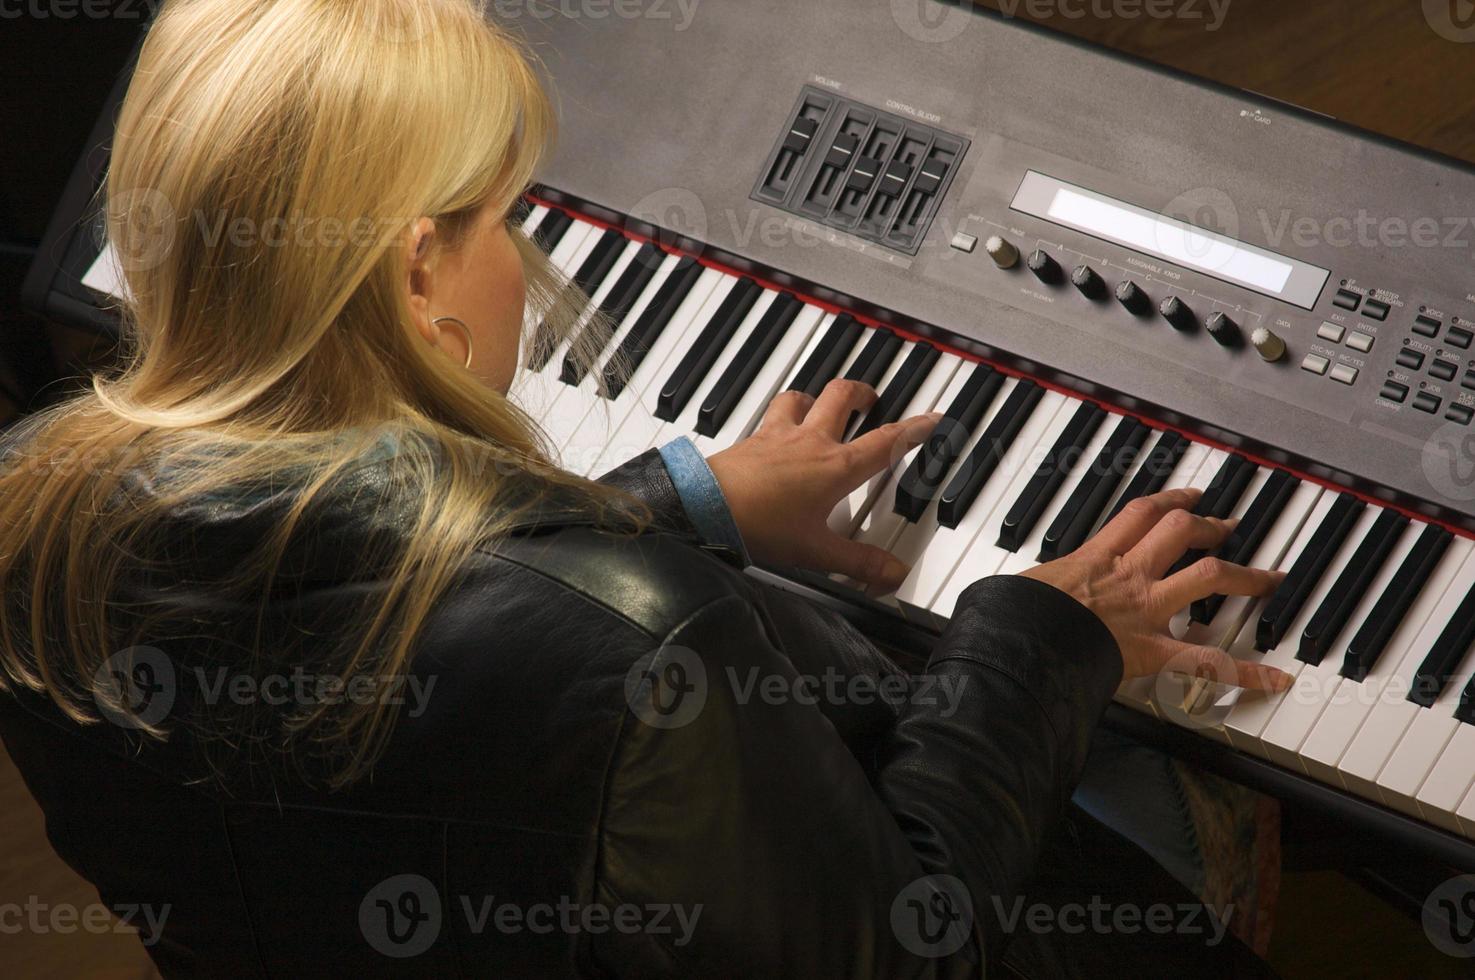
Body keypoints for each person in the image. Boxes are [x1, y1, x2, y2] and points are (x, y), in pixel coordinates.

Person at [0, 0, 1289, 975]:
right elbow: (913, 936)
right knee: (1193, 778)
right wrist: (1046, 636)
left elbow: (404, 621)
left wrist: (683, 498)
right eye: (503, 216)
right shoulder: (642, 631)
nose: (520, 251)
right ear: (411, 278)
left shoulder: (30, 523)